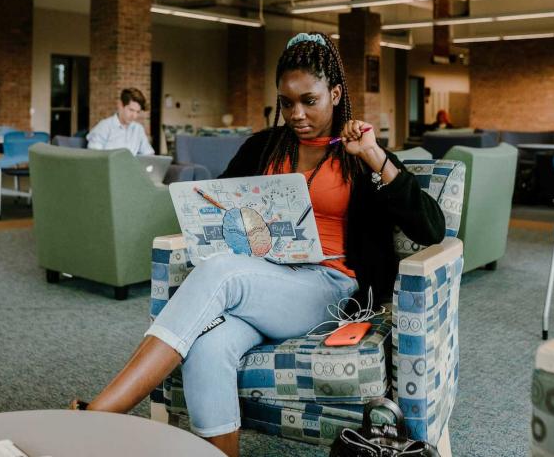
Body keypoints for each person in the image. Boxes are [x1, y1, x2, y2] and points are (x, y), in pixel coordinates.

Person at [70, 32, 444, 456]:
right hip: (263, 281)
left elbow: (431, 228)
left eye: (309, 100)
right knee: (208, 347)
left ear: (336, 93)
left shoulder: (358, 153)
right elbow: (217, 202)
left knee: (220, 274)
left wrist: (375, 158)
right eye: (287, 103)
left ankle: (99, 416)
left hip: (329, 287)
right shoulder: (264, 148)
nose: (297, 114)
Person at [86, 88, 154, 155]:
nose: (134, 116)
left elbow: (149, 155)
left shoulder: (138, 129)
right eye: (131, 110)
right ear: (120, 105)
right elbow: (94, 157)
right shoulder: (104, 127)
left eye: (137, 112)